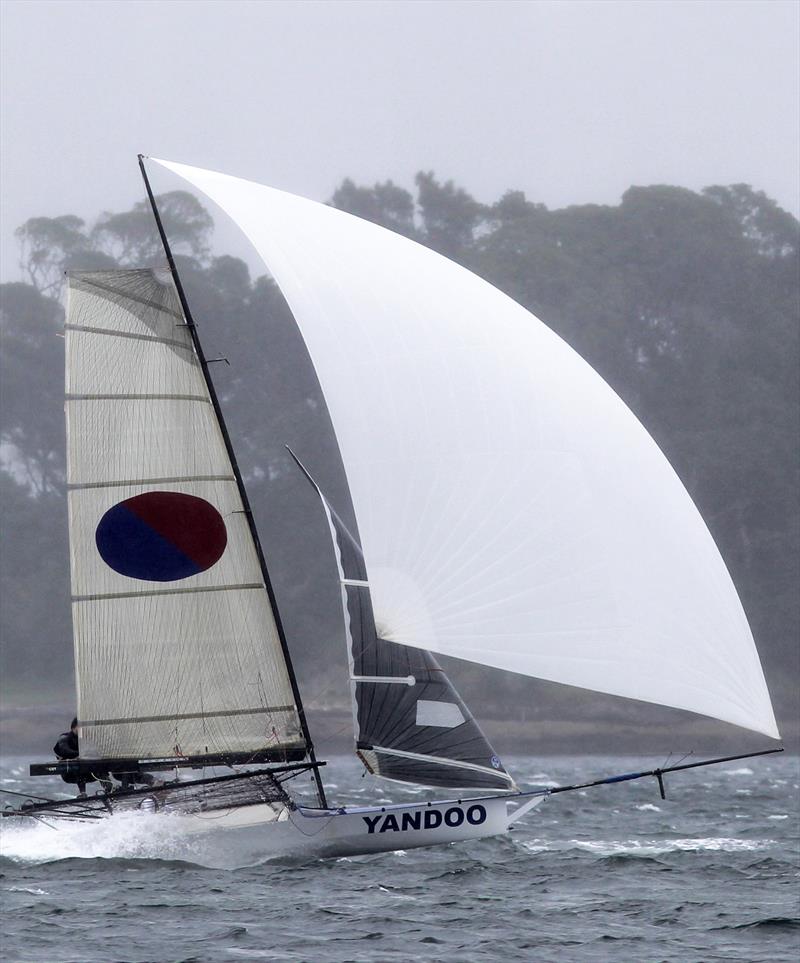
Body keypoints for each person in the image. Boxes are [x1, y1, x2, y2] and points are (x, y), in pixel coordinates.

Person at [53, 717, 112, 797]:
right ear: (74, 727)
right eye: (81, 726)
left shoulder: (87, 739)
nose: (83, 729)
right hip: (69, 773)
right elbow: (64, 751)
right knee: (78, 766)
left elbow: (98, 750)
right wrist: (81, 755)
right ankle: (82, 793)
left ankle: (108, 790)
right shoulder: (64, 738)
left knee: (99, 767)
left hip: (89, 773)